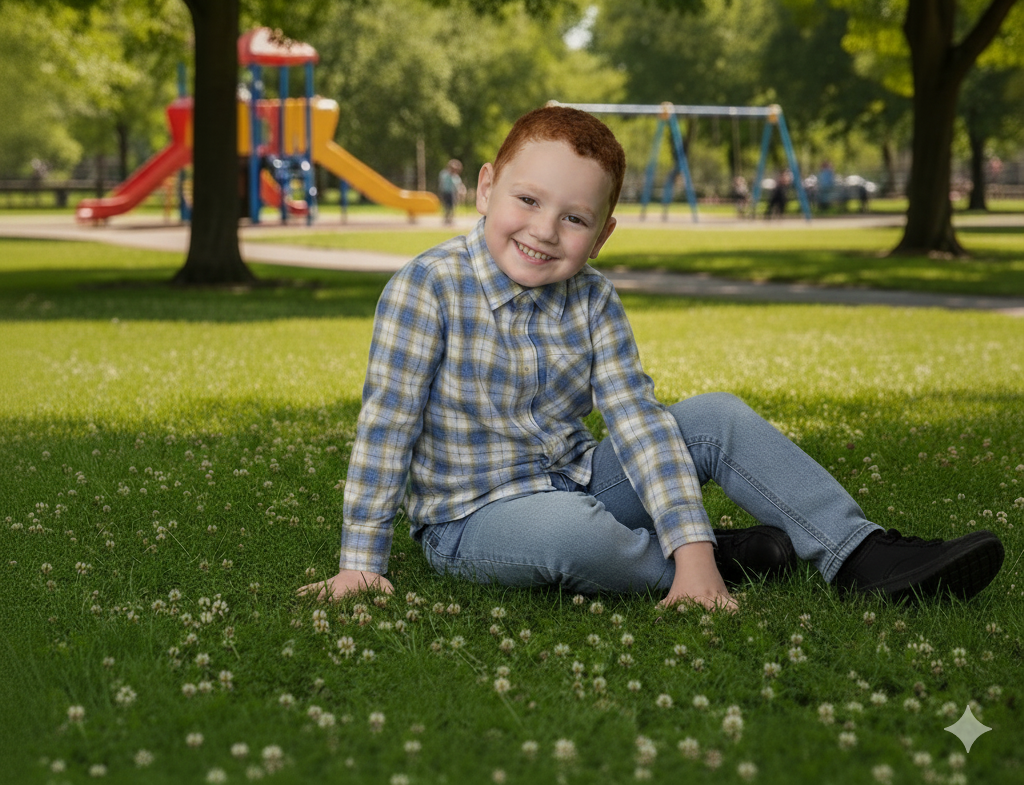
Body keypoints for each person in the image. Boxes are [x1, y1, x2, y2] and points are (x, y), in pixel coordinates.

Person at [302, 106, 1003, 611]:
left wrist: (689, 550)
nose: (545, 231)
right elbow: (386, 426)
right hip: (472, 517)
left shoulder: (594, 299)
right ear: (487, 189)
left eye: (574, 218)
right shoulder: (425, 288)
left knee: (714, 418)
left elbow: (638, 423)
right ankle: (705, 558)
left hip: (577, 477)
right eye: (526, 200)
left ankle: (856, 553)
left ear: (601, 234)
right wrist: (361, 563)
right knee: (571, 534)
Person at [438, 158, 466, 225]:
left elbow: (458, 186)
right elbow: (442, 184)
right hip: (445, 192)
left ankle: (450, 219)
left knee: (452, 206)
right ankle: (446, 218)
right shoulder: (444, 174)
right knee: (446, 206)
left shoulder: (455, 177)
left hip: (452, 193)